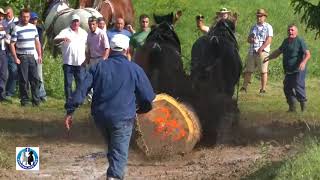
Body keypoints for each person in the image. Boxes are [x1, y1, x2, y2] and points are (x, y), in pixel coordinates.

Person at [64, 33, 155, 179]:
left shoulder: (98, 67)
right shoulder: (135, 69)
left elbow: (82, 89)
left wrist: (70, 110)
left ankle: (113, 172)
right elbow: (148, 97)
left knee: (114, 149)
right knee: (119, 152)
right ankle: (114, 177)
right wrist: (143, 109)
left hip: (100, 118)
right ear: (127, 50)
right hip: (123, 118)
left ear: (111, 50)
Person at [263, 24, 311, 112]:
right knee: (287, 88)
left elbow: (308, 54)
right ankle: (292, 108)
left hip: (298, 69)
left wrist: (303, 62)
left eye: (292, 30)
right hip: (288, 70)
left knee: (298, 87)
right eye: (289, 30)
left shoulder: (300, 41)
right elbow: (278, 51)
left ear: (296, 31)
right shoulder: (285, 41)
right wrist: (269, 57)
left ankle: (304, 108)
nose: (290, 32)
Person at [53, 14, 87, 107]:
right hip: (68, 62)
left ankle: (79, 101)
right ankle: (69, 101)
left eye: (77, 21)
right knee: (68, 84)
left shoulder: (83, 32)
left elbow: (88, 44)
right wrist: (62, 38)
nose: (75, 23)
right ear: (70, 22)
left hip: (80, 62)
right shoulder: (65, 31)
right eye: (74, 21)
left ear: (79, 22)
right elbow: (55, 40)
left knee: (80, 83)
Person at [10, 8, 42, 106]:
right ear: (20, 17)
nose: (26, 18)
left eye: (27, 17)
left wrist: (40, 55)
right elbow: (12, 44)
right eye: (24, 17)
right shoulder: (17, 28)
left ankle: (36, 100)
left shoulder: (33, 27)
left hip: (32, 56)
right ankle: (25, 101)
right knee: (24, 80)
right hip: (22, 56)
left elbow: (37, 42)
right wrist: (15, 58)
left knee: (35, 79)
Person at [241, 8, 273, 94]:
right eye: (258, 16)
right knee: (248, 70)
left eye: (261, 16)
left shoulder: (268, 27)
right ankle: (244, 87)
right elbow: (248, 39)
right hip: (252, 51)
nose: (259, 18)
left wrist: (261, 48)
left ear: (264, 17)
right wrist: (251, 39)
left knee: (263, 71)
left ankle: (263, 89)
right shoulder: (253, 27)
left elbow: (269, 39)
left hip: (263, 51)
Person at [30, 12, 47, 102]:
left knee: (39, 77)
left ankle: (42, 94)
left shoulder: (39, 29)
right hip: (29, 55)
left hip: (38, 55)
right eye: (33, 19)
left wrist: (40, 55)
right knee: (31, 77)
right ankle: (34, 94)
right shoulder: (27, 28)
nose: (34, 21)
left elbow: (40, 42)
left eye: (35, 19)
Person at [3, 6, 19, 98]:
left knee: (13, 71)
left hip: (13, 50)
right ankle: (3, 91)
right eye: (5, 14)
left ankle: (10, 92)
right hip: (4, 49)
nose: (7, 15)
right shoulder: (3, 22)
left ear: (12, 13)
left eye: (8, 13)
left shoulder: (17, 22)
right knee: (4, 72)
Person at [0, 8, 8, 101]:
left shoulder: (5, 25)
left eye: (2, 15)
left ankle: (1, 95)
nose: (1, 16)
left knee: (3, 74)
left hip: (3, 51)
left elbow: (8, 38)